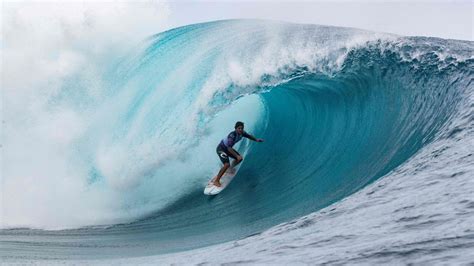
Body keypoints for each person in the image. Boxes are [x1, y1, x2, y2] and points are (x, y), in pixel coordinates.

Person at [213, 121, 264, 187]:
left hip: (228, 148)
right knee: (227, 164)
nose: (240, 130)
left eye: (242, 128)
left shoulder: (242, 133)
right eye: (239, 128)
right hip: (221, 149)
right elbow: (229, 148)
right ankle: (216, 181)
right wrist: (237, 156)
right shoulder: (232, 135)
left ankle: (229, 169)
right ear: (235, 128)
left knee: (240, 159)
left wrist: (256, 140)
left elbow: (249, 136)